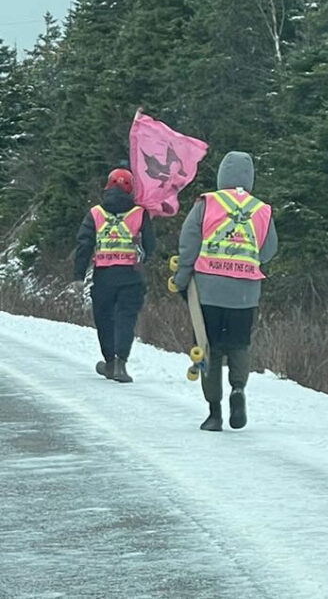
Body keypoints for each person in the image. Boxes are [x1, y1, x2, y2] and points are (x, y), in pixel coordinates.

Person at [172, 151, 277, 432]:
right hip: (244, 294)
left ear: (222, 176)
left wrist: (182, 278)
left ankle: (214, 412)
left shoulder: (207, 204)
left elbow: (189, 243)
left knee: (209, 350)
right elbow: (267, 252)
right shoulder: (261, 210)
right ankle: (238, 390)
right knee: (239, 345)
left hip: (208, 291)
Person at [74, 168, 155, 383]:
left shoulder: (95, 214)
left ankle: (109, 362)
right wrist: (140, 258)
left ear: (108, 186)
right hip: (131, 277)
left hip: (104, 276)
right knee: (125, 319)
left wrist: (78, 275)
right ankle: (121, 363)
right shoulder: (140, 213)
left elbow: (84, 245)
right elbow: (151, 247)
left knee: (105, 319)